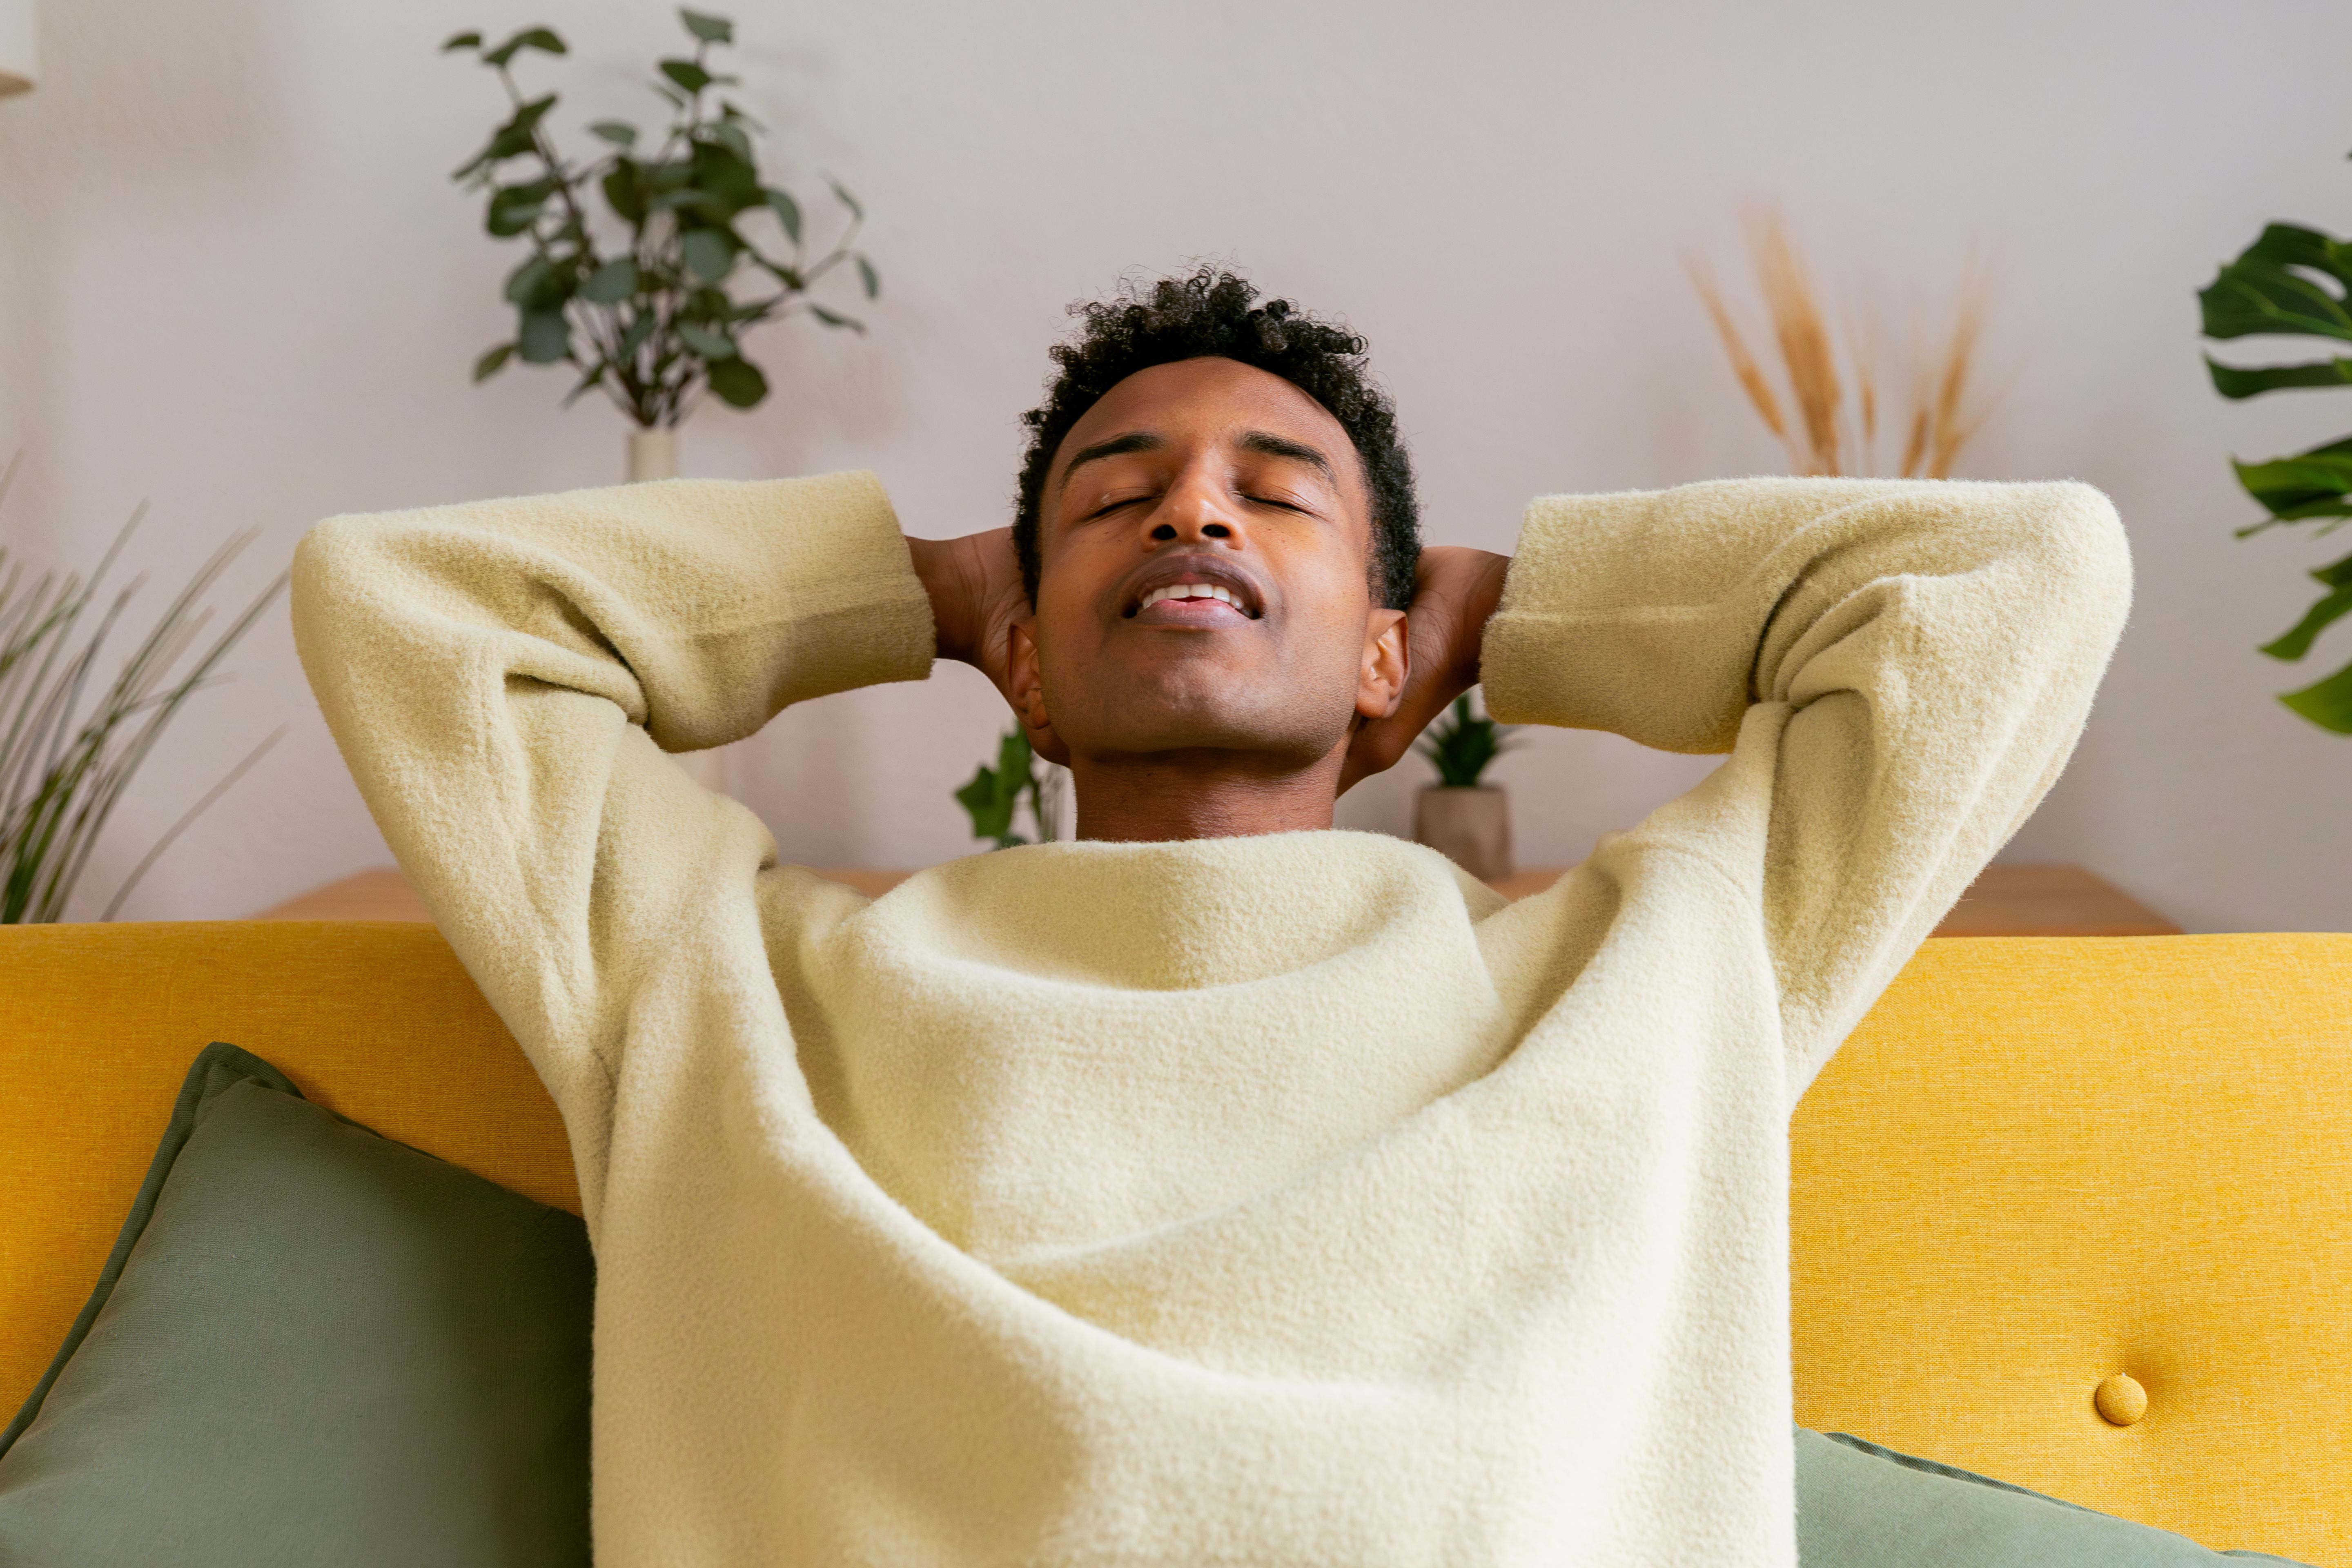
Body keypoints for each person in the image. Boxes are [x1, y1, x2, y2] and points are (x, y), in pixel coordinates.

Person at [292, 267, 2130, 1566]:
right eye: (1116, 499)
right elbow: (402, 607)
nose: (1192, 517)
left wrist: (1521, 604)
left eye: (1274, 497)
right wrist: (913, 586)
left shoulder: (1648, 969)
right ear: (1020, 641)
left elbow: (2025, 577)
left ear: (1392, 648)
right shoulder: (732, 983)